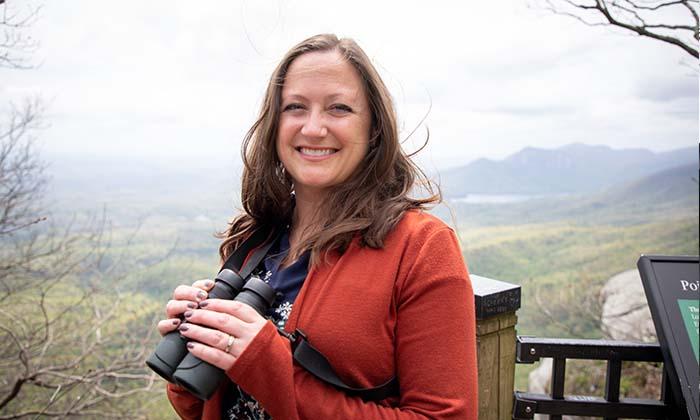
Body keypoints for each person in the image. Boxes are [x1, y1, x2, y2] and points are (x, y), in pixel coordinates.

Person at [157, 33, 478, 419]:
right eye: (295, 107)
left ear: (374, 128)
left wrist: (263, 361)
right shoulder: (254, 240)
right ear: (275, 124)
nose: (313, 128)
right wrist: (195, 342)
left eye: (338, 108)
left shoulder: (421, 248)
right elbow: (200, 407)